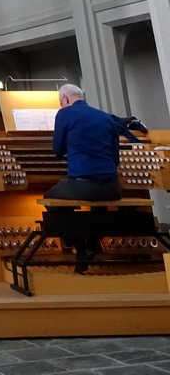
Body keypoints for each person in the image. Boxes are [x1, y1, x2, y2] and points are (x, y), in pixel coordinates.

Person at [44, 83, 122, 269]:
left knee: (50, 199)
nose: (61, 106)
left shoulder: (65, 114)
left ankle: (81, 246)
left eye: (60, 103)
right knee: (99, 202)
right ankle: (93, 240)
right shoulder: (106, 117)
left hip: (83, 184)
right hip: (113, 187)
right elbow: (115, 158)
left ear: (66, 99)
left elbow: (58, 150)